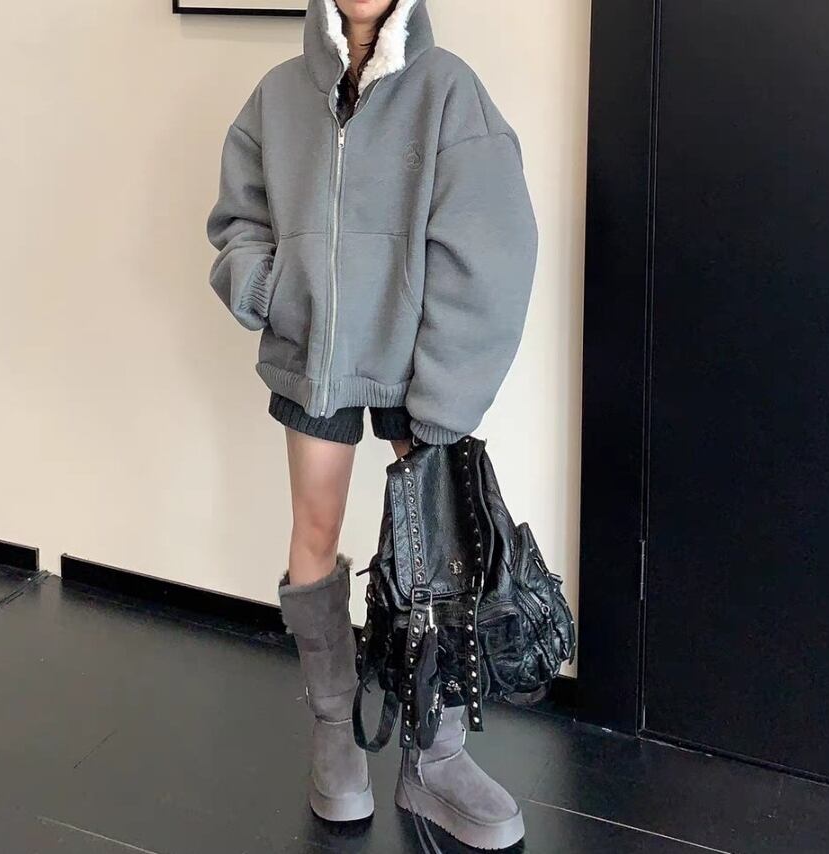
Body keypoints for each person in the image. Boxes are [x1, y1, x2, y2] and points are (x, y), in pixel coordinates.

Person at [205, 0, 538, 848]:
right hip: (315, 353)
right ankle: (333, 729)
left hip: (417, 355)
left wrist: (445, 388)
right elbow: (239, 219)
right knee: (313, 530)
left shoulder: (449, 90)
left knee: (438, 554)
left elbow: (494, 246)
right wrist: (270, 291)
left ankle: (436, 757)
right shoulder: (279, 94)